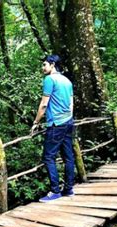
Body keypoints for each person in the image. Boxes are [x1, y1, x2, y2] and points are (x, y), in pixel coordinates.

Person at [31, 54, 75, 202]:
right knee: (68, 156)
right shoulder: (67, 81)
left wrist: (36, 122)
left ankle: (55, 191)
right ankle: (68, 189)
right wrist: (68, 118)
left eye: (44, 65)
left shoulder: (50, 79)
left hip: (56, 124)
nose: (42, 68)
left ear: (52, 65)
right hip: (68, 121)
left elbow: (44, 104)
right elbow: (71, 104)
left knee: (48, 157)